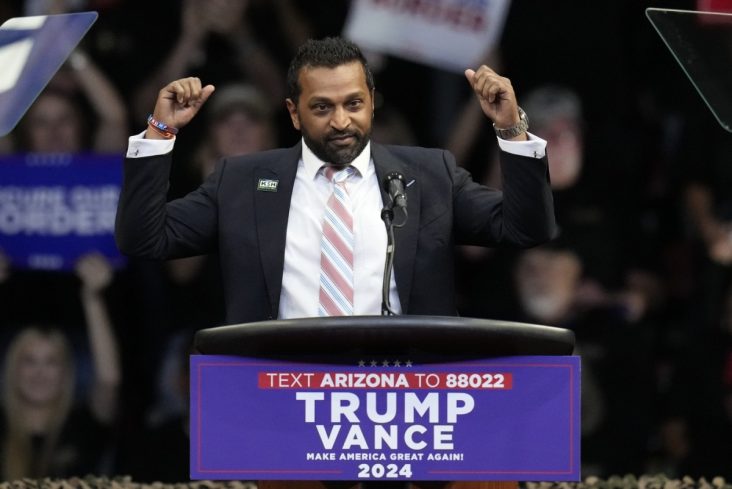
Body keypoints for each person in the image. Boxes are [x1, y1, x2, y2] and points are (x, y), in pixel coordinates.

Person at [115, 36, 555, 326]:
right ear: (293, 113)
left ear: (372, 104)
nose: (341, 121)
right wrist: (160, 132)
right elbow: (145, 238)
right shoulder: (242, 181)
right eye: (323, 107)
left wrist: (511, 128)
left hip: (403, 395)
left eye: (354, 104)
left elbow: (526, 228)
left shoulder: (429, 175)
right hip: (280, 391)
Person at [0, 253, 120, 480]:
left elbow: (108, 381)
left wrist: (92, 298)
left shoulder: (83, 425)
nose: (40, 373)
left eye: (51, 362)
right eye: (29, 361)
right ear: (13, 368)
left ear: (66, 371)